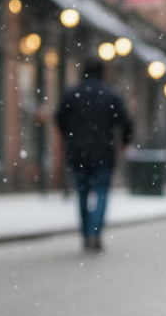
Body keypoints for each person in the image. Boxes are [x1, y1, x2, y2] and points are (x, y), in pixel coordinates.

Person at [55, 58, 134, 252]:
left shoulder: (72, 94)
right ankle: (94, 233)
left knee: (82, 193)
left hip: (78, 152)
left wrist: (71, 137)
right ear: (102, 72)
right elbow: (126, 122)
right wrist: (124, 143)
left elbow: (59, 119)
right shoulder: (110, 94)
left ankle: (85, 233)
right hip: (103, 153)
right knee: (101, 193)